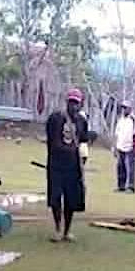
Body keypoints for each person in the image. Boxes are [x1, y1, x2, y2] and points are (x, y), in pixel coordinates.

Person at [45, 87, 88, 242]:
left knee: (71, 199)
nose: (73, 106)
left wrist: (83, 155)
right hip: (56, 165)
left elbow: (82, 139)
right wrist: (70, 150)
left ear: (80, 104)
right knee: (56, 197)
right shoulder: (55, 118)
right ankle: (57, 228)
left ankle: (67, 231)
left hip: (73, 167)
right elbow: (53, 142)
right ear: (66, 102)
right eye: (71, 102)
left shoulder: (82, 121)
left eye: (76, 103)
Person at [114, 101, 135, 193]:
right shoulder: (120, 120)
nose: (124, 110)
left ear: (130, 109)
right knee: (120, 166)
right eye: (123, 108)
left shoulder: (133, 119)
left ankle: (131, 186)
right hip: (120, 145)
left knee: (130, 167)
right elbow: (117, 133)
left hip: (130, 146)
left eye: (125, 108)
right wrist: (115, 146)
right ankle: (121, 186)